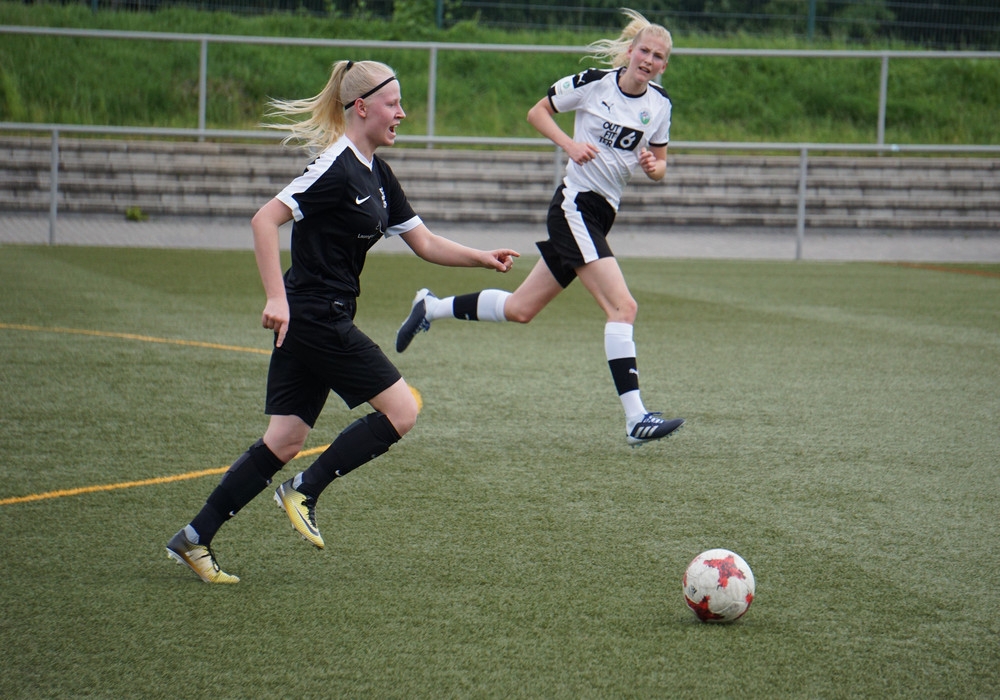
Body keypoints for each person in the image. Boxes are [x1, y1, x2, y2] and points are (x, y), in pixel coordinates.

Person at [166, 59, 519, 584]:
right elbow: (264, 220)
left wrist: (481, 258)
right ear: (362, 107)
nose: (402, 113)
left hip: (318, 317)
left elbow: (424, 242)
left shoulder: (377, 173)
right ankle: (304, 490)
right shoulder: (335, 166)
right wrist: (276, 298)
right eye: (393, 104)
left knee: (284, 439)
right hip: (314, 316)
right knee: (402, 410)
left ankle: (194, 538)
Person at [395, 9, 683, 447]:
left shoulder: (659, 105)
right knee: (623, 307)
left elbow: (660, 165)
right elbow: (538, 112)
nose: (649, 60)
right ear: (630, 51)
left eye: (658, 56)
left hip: (602, 213)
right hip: (575, 206)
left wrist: (651, 165)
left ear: (663, 65)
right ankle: (635, 419)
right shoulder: (594, 83)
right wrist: (570, 144)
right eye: (644, 50)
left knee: (520, 309)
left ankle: (430, 307)